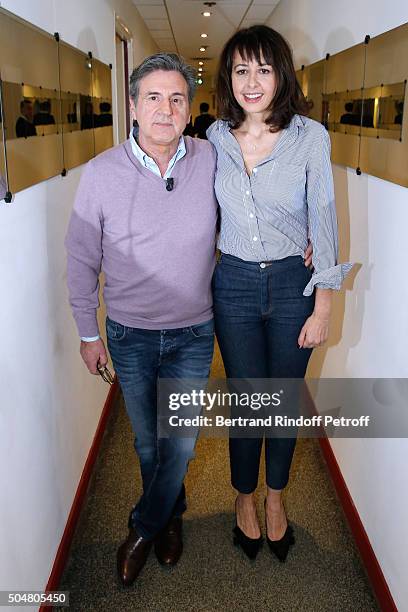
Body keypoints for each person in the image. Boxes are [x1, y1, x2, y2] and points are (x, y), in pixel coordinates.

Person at [65, 53, 218, 586]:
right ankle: (170, 516)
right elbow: (81, 258)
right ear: (132, 105)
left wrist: (304, 238)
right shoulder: (102, 173)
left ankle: (144, 526)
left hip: (194, 332)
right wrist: (88, 333)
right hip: (128, 334)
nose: (165, 109)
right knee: (148, 442)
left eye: (177, 98)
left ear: (188, 108)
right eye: (152, 97)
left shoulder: (210, 157)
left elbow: (251, 208)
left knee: (180, 440)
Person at [207, 25, 352, 562]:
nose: (252, 82)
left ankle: (274, 499)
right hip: (236, 284)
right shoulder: (214, 138)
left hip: (294, 281)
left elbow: (325, 218)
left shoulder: (309, 137)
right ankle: (243, 499)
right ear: (229, 77)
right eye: (241, 70)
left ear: (281, 75)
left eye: (263, 70)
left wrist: (324, 304)